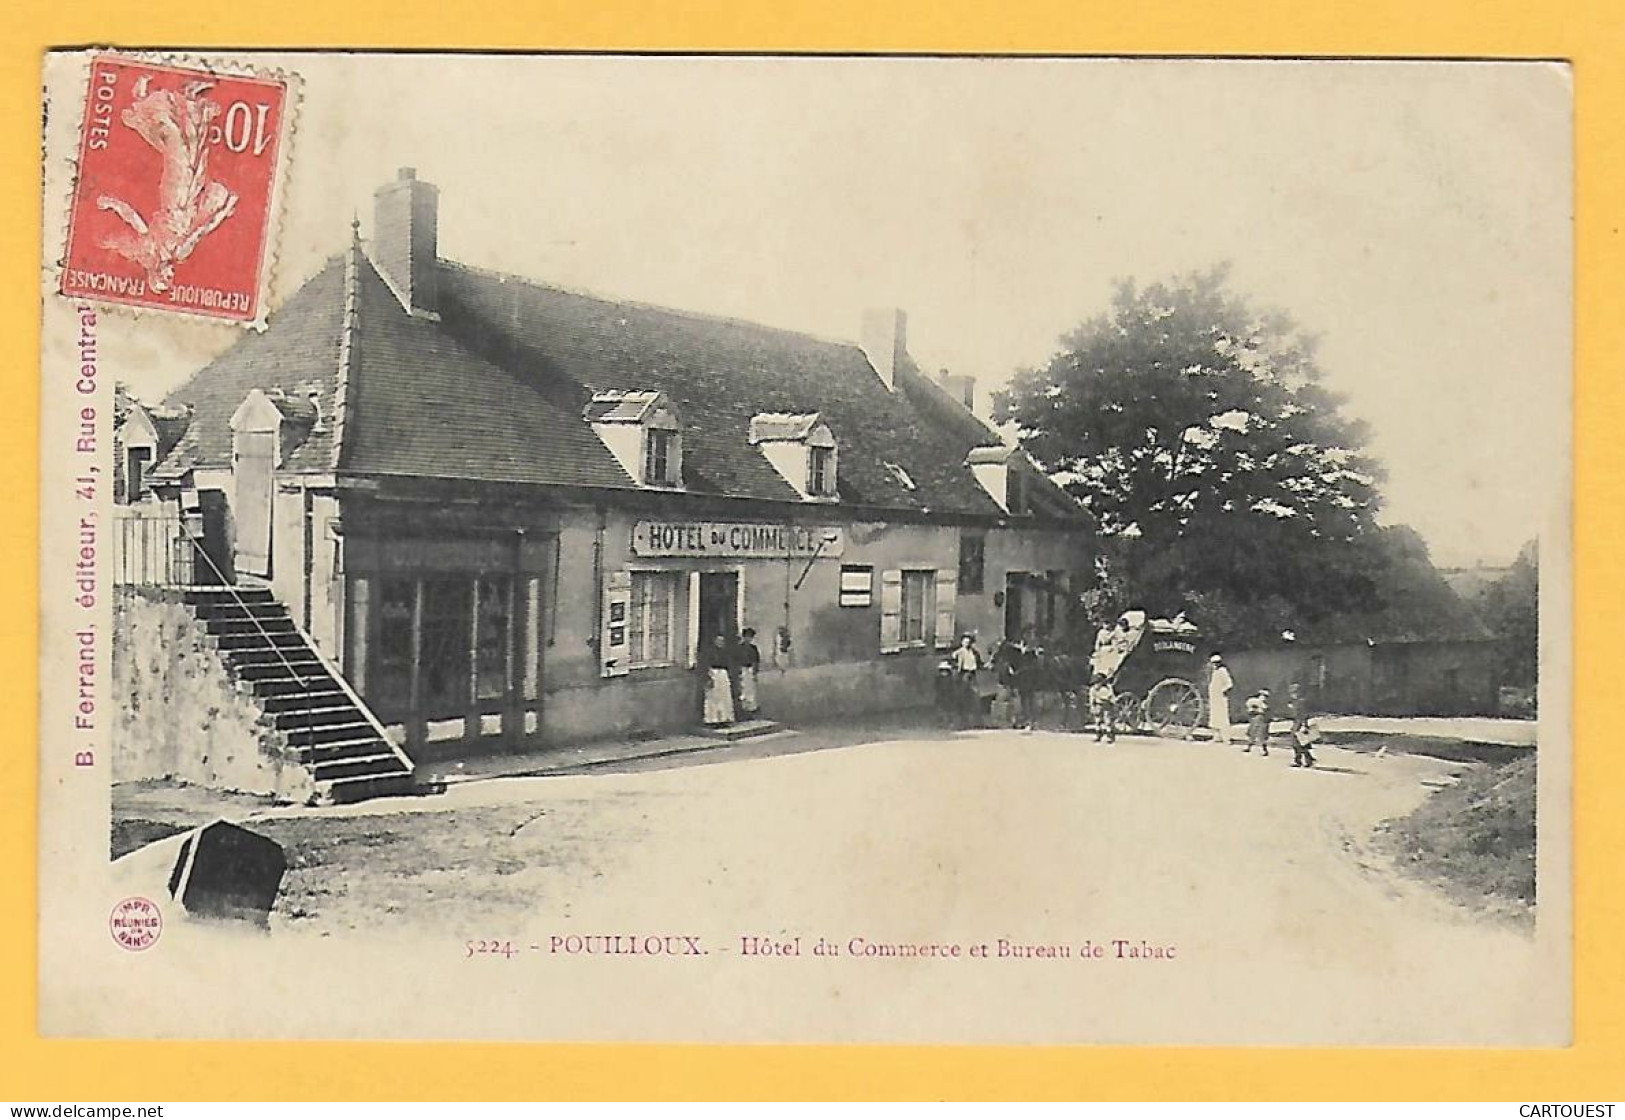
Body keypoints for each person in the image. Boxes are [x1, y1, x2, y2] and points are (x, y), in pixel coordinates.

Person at [700, 634, 735, 727]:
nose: (720, 643)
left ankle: (724, 719)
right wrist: (708, 677)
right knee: (713, 697)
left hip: (723, 674)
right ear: (714, 641)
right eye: (718, 641)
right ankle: (712, 719)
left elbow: (729, 664)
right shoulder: (710, 652)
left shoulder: (725, 653)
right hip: (713, 673)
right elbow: (706, 664)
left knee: (724, 697)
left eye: (722, 641)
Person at [951, 634, 983, 727]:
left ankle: (976, 721)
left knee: (975, 697)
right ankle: (962, 721)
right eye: (965, 642)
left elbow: (979, 663)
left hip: (972, 675)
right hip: (963, 675)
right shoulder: (958, 653)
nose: (967, 644)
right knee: (962, 698)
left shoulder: (975, 652)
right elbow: (953, 662)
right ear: (961, 642)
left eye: (969, 642)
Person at [1287, 681, 1317, 768]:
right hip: (1297, 722)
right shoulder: (1296, 702)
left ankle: (1303, 760)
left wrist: (1304, 725)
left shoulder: (1301, 702)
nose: (1292, 694)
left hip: (1300, 723)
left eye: (1293, 692)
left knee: (1298, 742)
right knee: (1299, 743)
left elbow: (1303, 714)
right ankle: (1306, 759)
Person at [1206, 652, 1235, 743]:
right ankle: (1216, 737)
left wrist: (1222, 691)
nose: (1215, 664)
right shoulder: (1215, 671)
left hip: (1221, 698)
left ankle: (1227, 738)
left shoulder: (1223, 671)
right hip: (1214, 698)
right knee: (1214, 718)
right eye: (1213, 663)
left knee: (1223, 718)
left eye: (1216, 663)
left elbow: (1229, 684)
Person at [734, 627, 762, 718]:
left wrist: (755, 672)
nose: (748, 639)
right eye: (746, 637)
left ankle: (751, 710)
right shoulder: (739, 648)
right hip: (742, 669)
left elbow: (756, 661)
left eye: (750, 637)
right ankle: (743, 709)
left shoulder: (753, 648)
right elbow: (736, 659)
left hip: (750, 669)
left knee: (751, 690)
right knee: (743, 690)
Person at [1087, 672, 1117, 743]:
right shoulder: (1093, 689)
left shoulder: (1107, 688)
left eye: (1099, 682)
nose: (1097, 684)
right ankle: (1098, 735)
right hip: (1098, 705)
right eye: (1096, 682)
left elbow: (1111, 696)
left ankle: (1110, 736)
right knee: (1097, 721)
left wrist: (1113, 703)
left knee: (1108, 721)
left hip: (1106, 705)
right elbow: (1092, 699)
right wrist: (1092, 706)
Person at [1244, 690, 1271, 755]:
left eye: (1265, 696)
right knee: (1252, 733)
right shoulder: (1253, 701)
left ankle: (1264, 750)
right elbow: (1250, 709)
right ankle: (1248, 747)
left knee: (1261, 735)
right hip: (1255, 718)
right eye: (1262, 695)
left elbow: (1266, 711)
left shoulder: (1265, 704)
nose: (1263, 697)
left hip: (1262, 719)